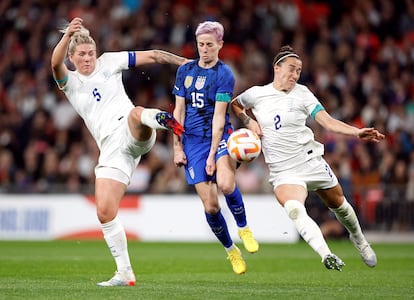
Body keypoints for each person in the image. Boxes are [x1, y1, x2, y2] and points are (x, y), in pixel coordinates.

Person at [51, 17, 186, 286]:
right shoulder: (70, 82)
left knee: (135, 113)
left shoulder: (109, 62)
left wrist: (186, 64)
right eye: (82, 55)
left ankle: (162, 119)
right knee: (104, 211)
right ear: (72, 56)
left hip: (133, 130)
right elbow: (54, 63)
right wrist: (67, 36)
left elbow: (155, 56)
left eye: (91, 53)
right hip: (112, 150)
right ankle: (125, 272)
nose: (88, 58)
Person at [231, 45, 385, 271]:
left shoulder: (302, 93)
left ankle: (359, 240)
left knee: (340, 207)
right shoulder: (257, 93)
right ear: (277, 68)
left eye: (299, 71)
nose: (295, 75)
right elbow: (235, 104)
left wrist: (356, 132)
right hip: (283, 173)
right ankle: (326, 255)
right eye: (291, 69)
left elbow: (327, 121)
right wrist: (248, 121)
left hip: (310, 162)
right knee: (295, 210)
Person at [172, 21, 259, 275]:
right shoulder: (185, 71)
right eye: (201, 45)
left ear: (220, 45)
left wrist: (212, 154)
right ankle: (231, 251)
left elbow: (219, 117)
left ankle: (244, 228)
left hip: (218, 136)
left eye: (210, 44)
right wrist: (177, 147)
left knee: (226, 184)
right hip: (192, 141)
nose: (205, 49)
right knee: (211, 206)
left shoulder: (224, 74)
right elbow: (178, 111)